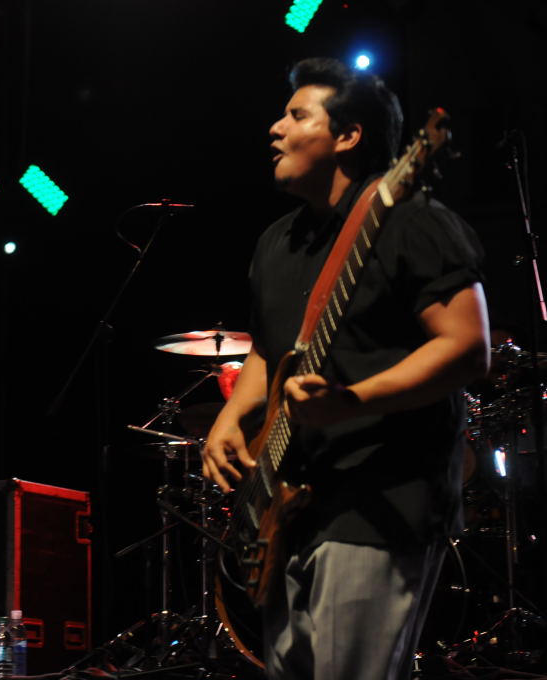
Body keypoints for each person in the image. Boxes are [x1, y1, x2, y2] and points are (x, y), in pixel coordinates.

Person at [200, 59, 490, 679]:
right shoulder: (277, 242)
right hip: (290, 510)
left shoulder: (414, 221)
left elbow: (467, 345)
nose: (275, 128)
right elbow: (268, 350)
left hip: (379, 498)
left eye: (297, 116)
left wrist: (352, 400)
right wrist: (231, 416)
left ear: (349, 135)